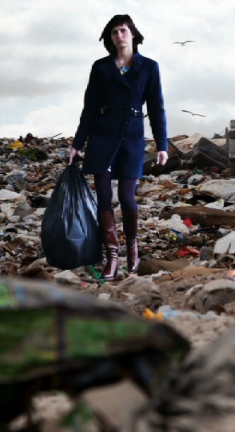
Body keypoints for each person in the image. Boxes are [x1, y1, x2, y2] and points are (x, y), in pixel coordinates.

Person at [68, 14, 169, 280]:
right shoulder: (100, 67)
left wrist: (162, 144)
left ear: (133, 34)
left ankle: (132, 248)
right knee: (103, 198)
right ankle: (112, 258)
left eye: (123, 30)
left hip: (132, 138)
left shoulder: (149, 67)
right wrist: (77, 144)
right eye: (113, 32)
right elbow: (88, 108)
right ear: (110, 38)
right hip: (102, 136)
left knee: (127, 197)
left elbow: (157, 107)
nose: (118, 36)